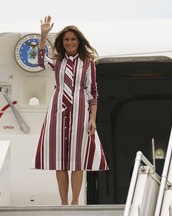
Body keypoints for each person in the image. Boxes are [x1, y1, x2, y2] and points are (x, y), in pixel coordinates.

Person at [31, 15, 108, 205]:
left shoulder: (88, 62)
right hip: (57, 112)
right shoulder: (57, 62)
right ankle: (64, 202)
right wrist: (43, 35)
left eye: (73, 39)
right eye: (66, 39)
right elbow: (40, 60)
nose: (70, 42)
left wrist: (93, 119)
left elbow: (93, 91)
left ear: (78, 41)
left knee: (77, 160)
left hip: (80, 112)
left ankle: (75, 202)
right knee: (60, 160)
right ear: (62, 42)